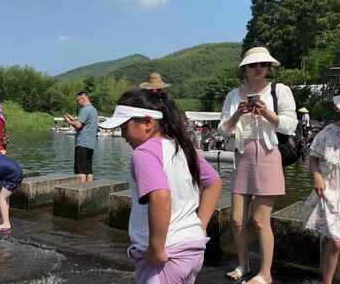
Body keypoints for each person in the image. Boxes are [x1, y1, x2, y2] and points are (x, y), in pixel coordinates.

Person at [99, 89, 221, 284]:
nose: (122, 136)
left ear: (147, 122)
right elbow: (213, 183)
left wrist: (156, 249)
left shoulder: (144, 153)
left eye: (124, 128)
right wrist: (201, 226)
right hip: (192, 248)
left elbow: (161, 196)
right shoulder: (181, 147)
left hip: (167, 255)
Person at [219, 47, 297, 284]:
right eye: (253, 65)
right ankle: (243, 265)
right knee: (236, 219)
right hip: (242, 157)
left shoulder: (279, 90)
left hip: (268, 156)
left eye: (263, 64)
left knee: (261, 220)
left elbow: (290, 125)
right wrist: (237, 115)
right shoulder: (234, 95)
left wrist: (267, 113)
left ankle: (265, 274)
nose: (259, 68)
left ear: (269, 67)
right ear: (245, 68)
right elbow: (223, 129)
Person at [301, 87, 340, 284]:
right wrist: (316, 176)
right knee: (337, 242)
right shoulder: (328, 133)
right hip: (334, 191)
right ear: (337, 109)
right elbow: (313, 156)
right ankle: (327, 281)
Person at [63, 92, 98, 182]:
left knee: (81, 171)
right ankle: (89, 190)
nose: (77, 103)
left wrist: (68, 121)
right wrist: (72, 119)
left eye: (77, 100)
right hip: (91, 144)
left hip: (82, 143)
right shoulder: (93, 109)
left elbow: (78, 125)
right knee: (88, 170)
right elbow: (85, 123)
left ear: (83, 98)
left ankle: (81, 192)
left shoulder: (85, 109)